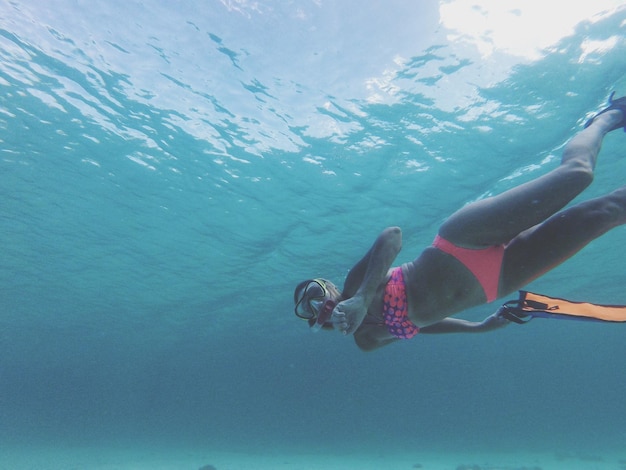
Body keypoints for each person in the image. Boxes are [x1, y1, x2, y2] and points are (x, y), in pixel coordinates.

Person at [294, 93, 626, 351]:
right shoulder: (365, 341)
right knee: (606, 214)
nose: (318, 303)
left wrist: (363, 298)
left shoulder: (355, 284)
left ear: (330, 286)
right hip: (496, 281)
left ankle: (604, 119)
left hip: (461, 242)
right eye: (308, 308)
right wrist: (480, 327)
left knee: (577, 175)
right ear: (312, 322)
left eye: (315, 291)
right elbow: (423, 323)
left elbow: (392, 237)